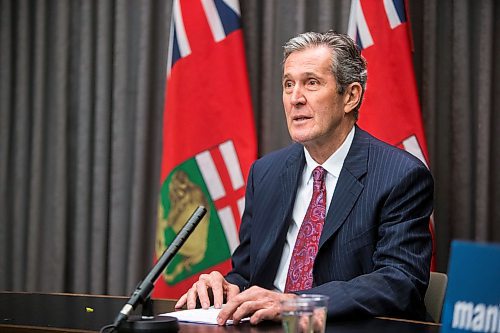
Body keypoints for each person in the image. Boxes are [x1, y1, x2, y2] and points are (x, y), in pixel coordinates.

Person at [175, 31, 433, 325]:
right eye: (288, 84)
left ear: (351, 96)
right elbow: (247, 275)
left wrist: (297, 304)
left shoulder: (400, 176)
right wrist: (225, 288)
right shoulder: (266, 173)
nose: (295, 98)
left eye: (311, 83)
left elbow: (399, 281)